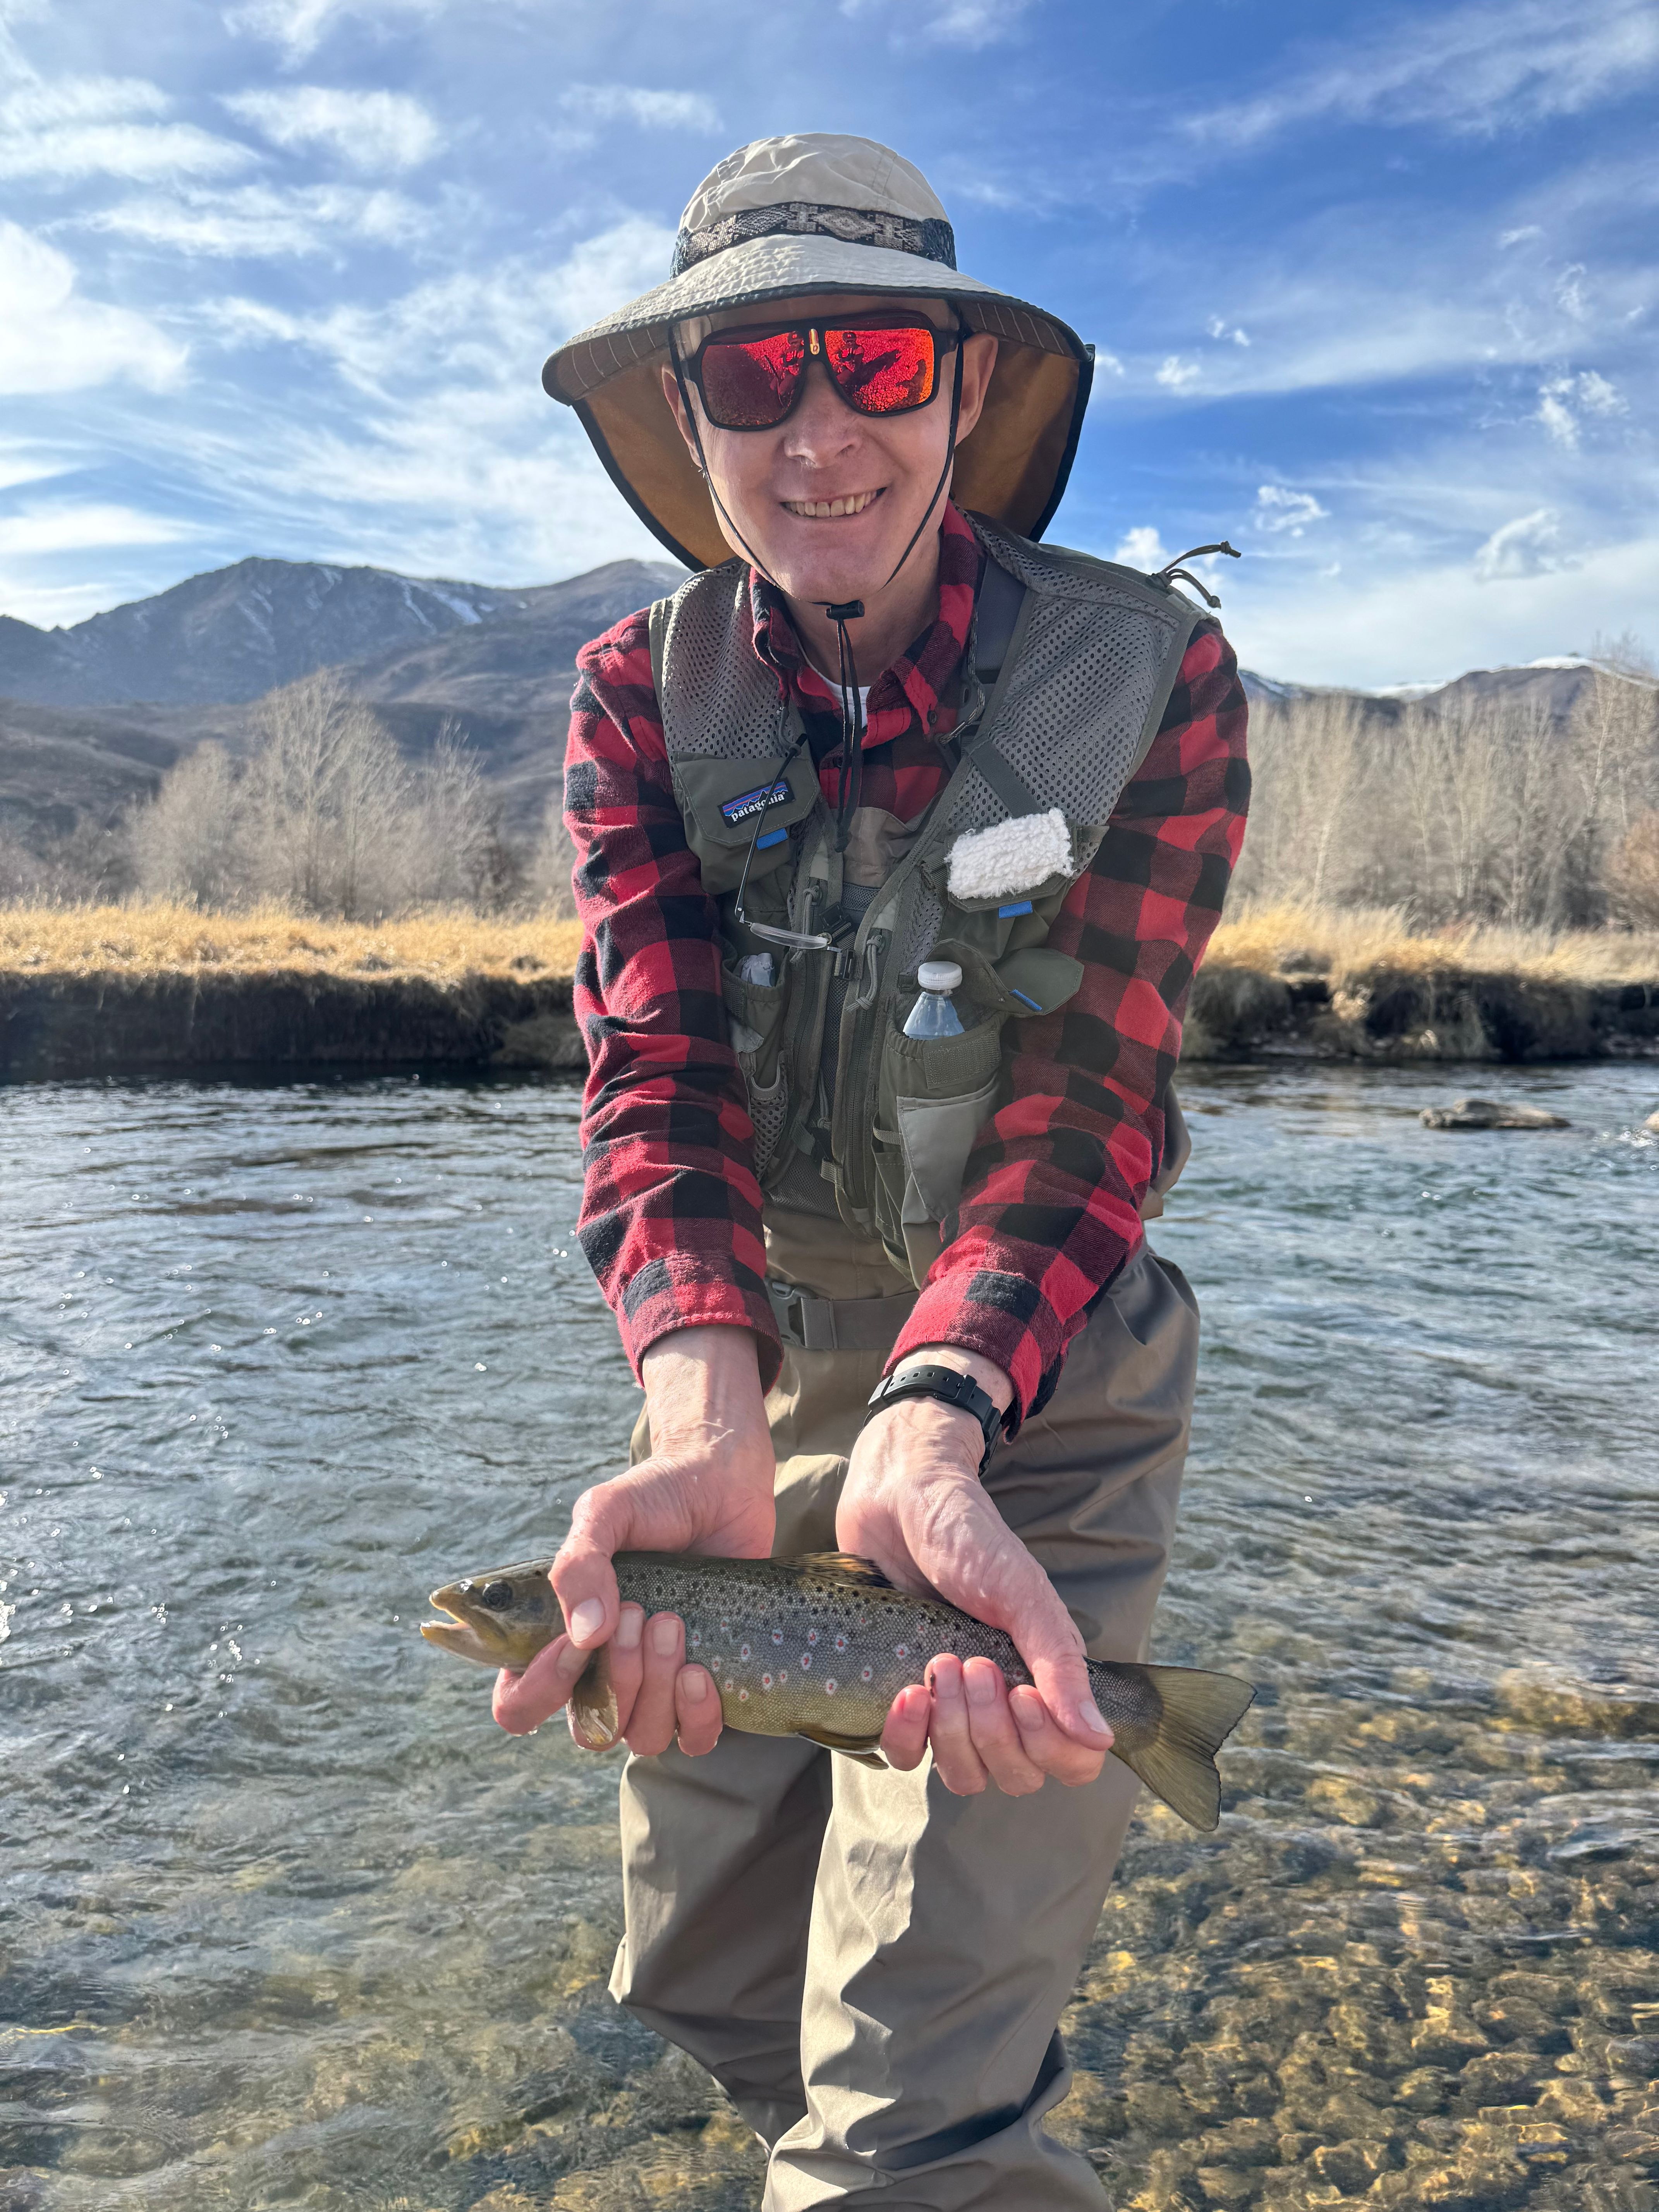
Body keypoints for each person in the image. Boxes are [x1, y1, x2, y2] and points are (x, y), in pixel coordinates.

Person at [495, 133, 1249, 2210]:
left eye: (876, 363)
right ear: (687, 417)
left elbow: (1088, 1100)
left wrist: (936, 1422)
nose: (818, 434)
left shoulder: (1153, 678)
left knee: (906, 2128)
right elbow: (651, 1084)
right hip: (759, 1378)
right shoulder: (632, 701)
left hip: (1039, 1388)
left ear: (966, 389)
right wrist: (697, 1400)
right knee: (715, 1986)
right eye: (753, 378)